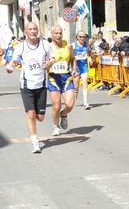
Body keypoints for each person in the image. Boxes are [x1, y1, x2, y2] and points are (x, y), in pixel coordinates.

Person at [5, 22, 55, 153]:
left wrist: (49, 63)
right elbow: (13, 61)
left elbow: (53, 58)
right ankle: (35, 142)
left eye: (35, 29)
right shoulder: (21, 47)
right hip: (27, 85)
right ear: (25, 32)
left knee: (40, 117)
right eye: (30, 29)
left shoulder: (44, 44)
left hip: (41, 84)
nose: (33, 31)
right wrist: (10, 67)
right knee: (31, 114)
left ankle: (36, 134)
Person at [48, 24, 77, 136]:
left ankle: (63, 115)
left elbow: (73, 59)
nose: (59, 35)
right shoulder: (48, 47)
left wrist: (74, 68)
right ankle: (56, 126)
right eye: (56, 33)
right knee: (56, 106)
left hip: (66, 77)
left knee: (69, 104)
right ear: (52, 34)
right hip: (53, 78)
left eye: (60, 33)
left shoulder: (68, 45)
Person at [73, 30, 93, 108]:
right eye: (80, 37)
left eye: (83, 37)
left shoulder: (86, 44)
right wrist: (74, 58)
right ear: (77, 37)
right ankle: (76, 92)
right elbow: (70, 56)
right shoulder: (73, 45)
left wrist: (90, 58)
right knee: (76, 86)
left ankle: (85, 102)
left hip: (84, 66)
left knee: (85, 84)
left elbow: (90, 51)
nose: (82, 38)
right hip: (76, 66)